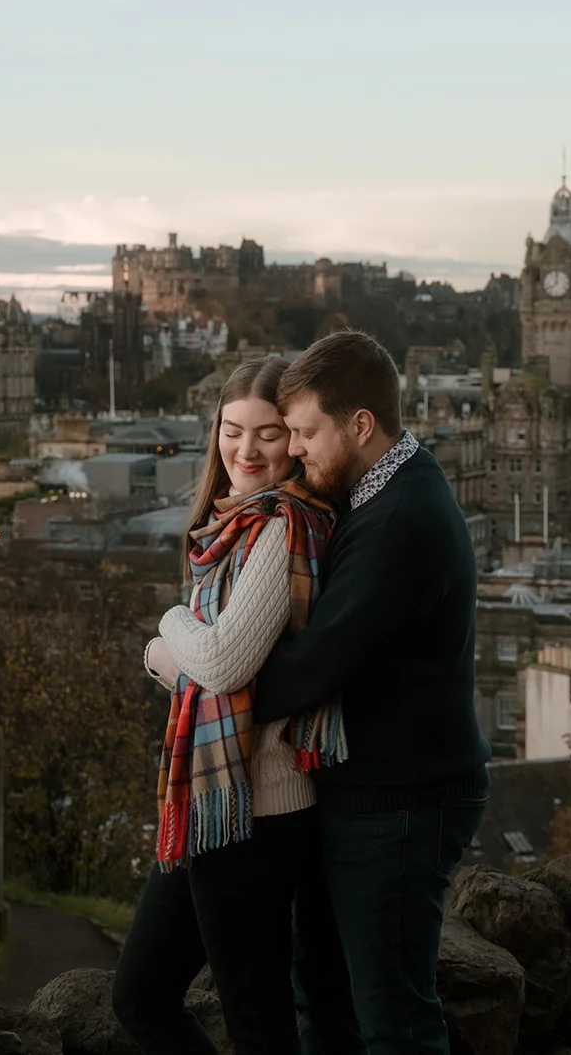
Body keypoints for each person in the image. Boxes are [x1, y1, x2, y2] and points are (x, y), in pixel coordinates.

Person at [249, 329, 490, 1055]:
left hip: (402, 801)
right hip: (373, 792)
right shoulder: (386, 488)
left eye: (305, 431)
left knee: (393, 1021)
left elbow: (311, 667)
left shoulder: (396, 523)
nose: (292, 451)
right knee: (325, 995)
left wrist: (196, 678)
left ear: (360, 425)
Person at [112, 357, 356, 1055]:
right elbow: (219, 666)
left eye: (269, 434)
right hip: (213, 803)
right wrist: (188, 657)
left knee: (258, 1023)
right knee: (140, 995)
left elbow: (221, 663)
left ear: (296, 442)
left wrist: (165, 632)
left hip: (260, 809)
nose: (246, 451)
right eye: (232, 429)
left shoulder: (283, 528)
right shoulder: (228, 532)